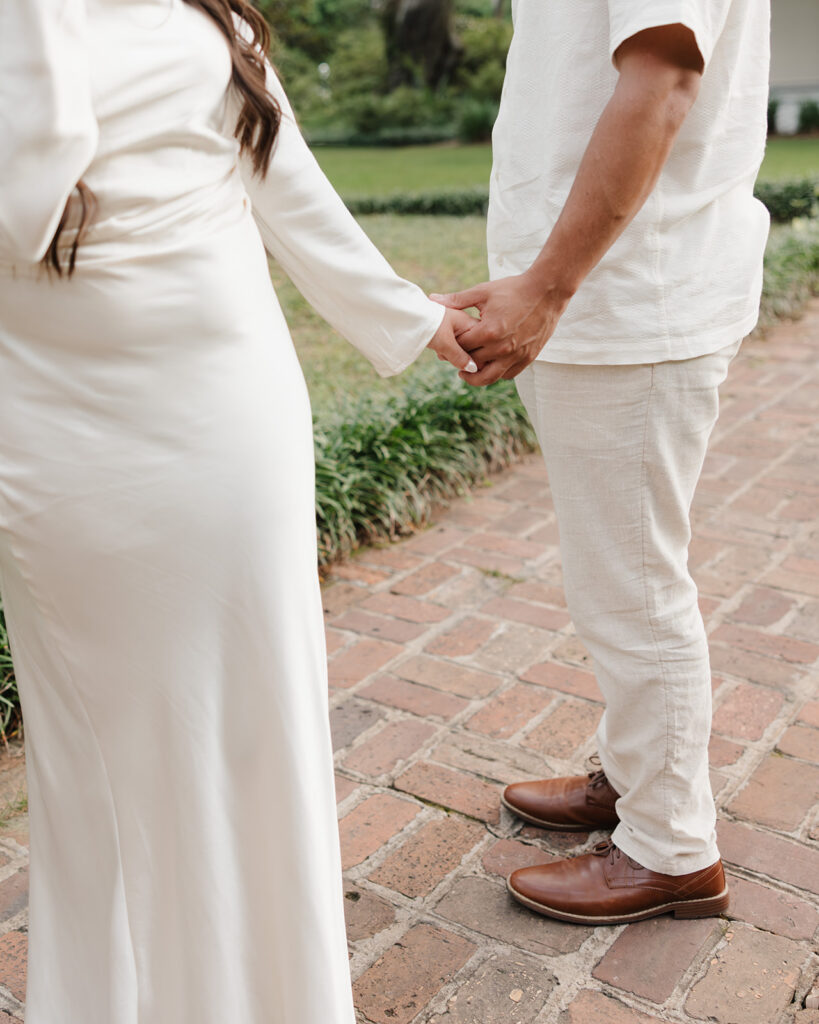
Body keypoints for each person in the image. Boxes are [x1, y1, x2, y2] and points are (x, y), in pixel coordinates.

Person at [0, 1, 475, 1020]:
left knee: (254, 741)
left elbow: (291, 192)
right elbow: (15, 201)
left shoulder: (204, 18)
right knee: (92, 764)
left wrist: (417, 320)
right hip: (56, 445)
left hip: (226, 427)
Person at [434, 0, 770, 924]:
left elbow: (660, 82)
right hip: (610, 297)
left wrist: (546, 289)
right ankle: (634, 777)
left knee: (633, 586)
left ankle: (669, 849)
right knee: (616, 577)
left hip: (627, 299)